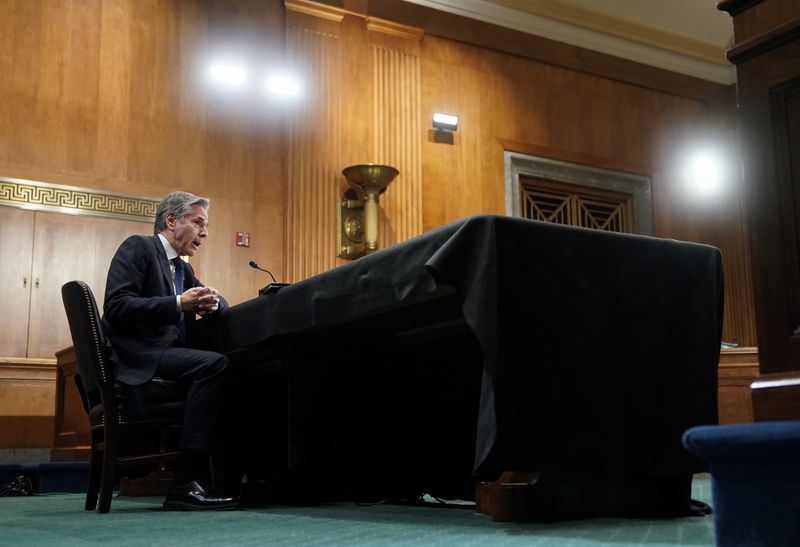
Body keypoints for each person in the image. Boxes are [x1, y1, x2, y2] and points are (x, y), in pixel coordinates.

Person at [102, 191, 237, 511]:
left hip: (168, 358)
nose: (204, 232)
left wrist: (214, 304)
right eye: (198, 223)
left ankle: (225, 478)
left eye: (206, 225)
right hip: (141, 357)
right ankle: (184, 483)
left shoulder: (183, 269)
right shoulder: (139, 247)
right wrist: (178, 303)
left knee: (233, 365)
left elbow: (217, 302)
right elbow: (116, 306)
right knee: (214, 365)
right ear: (171, 220)